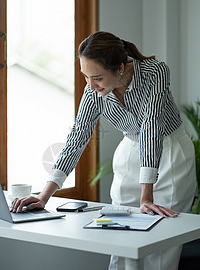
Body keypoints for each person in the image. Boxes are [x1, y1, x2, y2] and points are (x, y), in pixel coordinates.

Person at [12, 31, 197, 270]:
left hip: (170, 153)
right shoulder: (94, 90)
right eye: (85, 77)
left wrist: (146, 195)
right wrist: (44, 194)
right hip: (130, 151)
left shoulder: (155, 72)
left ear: (120, 68)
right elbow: (78, 134)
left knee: (158, 248)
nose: (90, 85)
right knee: (119, 238)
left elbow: (152, 125)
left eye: (96, 77)